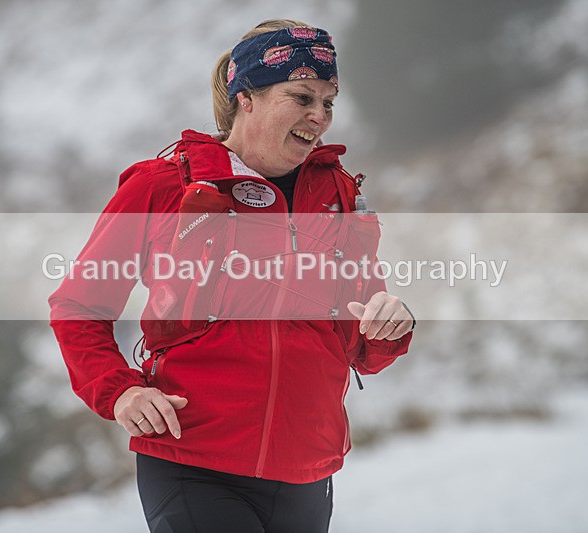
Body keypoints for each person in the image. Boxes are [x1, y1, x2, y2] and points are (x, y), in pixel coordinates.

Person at [49, 19, 415, 533]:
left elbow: (362, 347)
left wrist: (388, 325)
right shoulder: (165, 186)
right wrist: (120, 391)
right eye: (302, 97)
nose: (320, 116)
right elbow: (78, 306)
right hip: (194, 459)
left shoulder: (339, 196)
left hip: (307, 469)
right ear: (247, 98)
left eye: (328, 102)